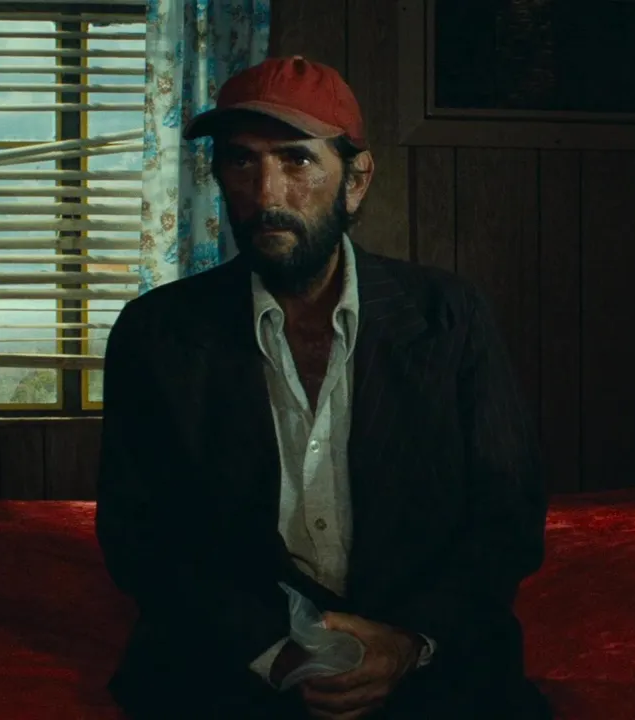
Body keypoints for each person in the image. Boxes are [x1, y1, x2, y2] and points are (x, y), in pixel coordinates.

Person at [94, 55, 551, 720]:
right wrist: (270, 651)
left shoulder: (449, 316)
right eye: (241, 161)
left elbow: (507, 516)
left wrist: (408, 644)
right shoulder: (158, 332)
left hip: (427, 662)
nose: (266, 194)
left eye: (297, 160)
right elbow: (139, 536)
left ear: (355, 180)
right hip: (230, 659)